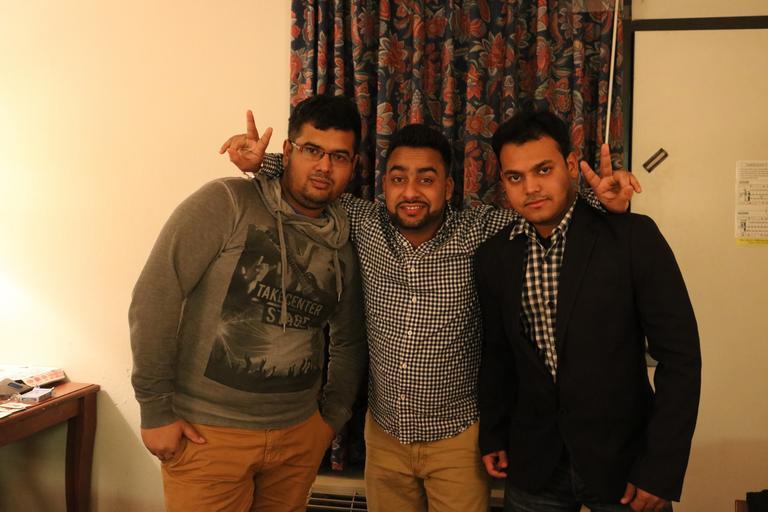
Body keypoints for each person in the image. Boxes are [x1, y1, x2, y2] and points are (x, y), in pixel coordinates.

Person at [220, 110, 639, 512]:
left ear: (449, 187)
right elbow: (316, 183)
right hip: (384, 436)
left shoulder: (480, 231)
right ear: (384, 184)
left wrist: (600, 198)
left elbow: (544, 207)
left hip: (458, 440)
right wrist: (262, 163)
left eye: (426, 179)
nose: (410, 192)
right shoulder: (363, 222)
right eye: (398, 179)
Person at [129, 95, 367, 512]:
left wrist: (330, 420)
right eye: (312, 150)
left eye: (339, 156)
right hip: (210, 435)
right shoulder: (226, 202)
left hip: (297, 436)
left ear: (353, 165)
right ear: (287, 151)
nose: (324, 167)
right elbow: (156, 296)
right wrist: (155, 409)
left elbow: (349, 339)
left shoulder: (344, 242)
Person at [475, 110, 701, 512]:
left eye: (543, 169)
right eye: (515, 177)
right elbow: (498, 355)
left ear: (569, 164)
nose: (531, 187)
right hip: (535, 461)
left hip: (624, 462)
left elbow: (680, 358)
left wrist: (661, 466)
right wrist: (493, 433)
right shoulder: (495, 255)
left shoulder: (632, 238)